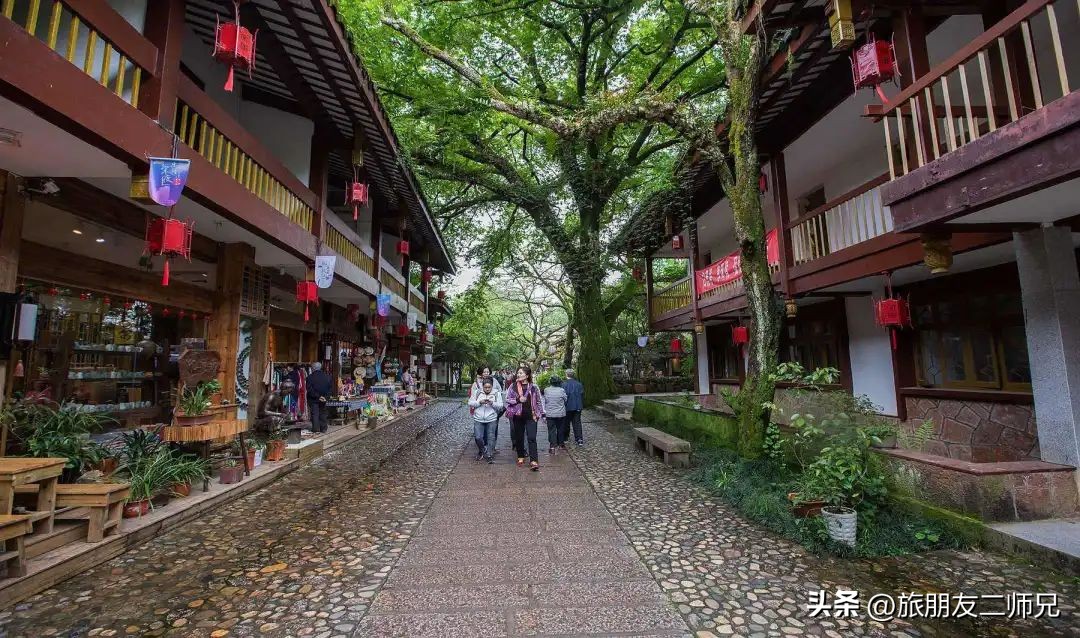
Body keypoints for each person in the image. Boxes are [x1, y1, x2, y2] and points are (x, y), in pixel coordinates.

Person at [505, 365, 544, 471]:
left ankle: (534, 460)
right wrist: (518, 400)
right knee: (519, 437)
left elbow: (539, 401)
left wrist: (541, 414)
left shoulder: (534, 387)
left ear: (527, 375)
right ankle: (520, 456)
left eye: (521, 373)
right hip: (518, 416)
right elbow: (507, 399)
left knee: (531, 438)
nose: (519, 374)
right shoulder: (512, 386)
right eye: (518, 373)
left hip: (531, 416)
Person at [468, 379, 503, 463]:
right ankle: (482, 450)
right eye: (485, 387)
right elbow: (470, 403)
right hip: (478, 418)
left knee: (491, 437)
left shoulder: (496, 393)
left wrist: (492, 403)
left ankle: (489, 454)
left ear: (492, 386)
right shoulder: (477, 392)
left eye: (489, 387)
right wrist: (479, 402)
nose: (487, 389)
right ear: (482, 386)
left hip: (491, 419)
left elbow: (501, 406)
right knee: (478, 437)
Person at [543, 376, 568, 454]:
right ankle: (561, 444)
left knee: (551, 430)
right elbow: (565, 399)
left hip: (550, 414)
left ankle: (552, 446)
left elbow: (546, 400)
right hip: (560, 413)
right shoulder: (562, 390)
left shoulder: (546, 390)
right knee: (560, 429)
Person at [306, 362, 333, 434]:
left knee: (315, 413)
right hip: (324, 398)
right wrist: (325, 397)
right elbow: (330, 389)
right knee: (323, 412)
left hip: (313, 398)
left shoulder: (310, 377)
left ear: (313, 368)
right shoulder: (327, 376)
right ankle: (323, 428)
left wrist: (318, 396)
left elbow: (309, 390)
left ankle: (316, 428)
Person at [563, 368, 585, 445]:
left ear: (566, 375)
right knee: (577, 423)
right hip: (578, 406)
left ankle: (565, 437)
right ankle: (579, 439)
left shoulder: (564, 384)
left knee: (566, 422)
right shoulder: (579, 384)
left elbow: (563, 396)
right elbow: (582, 395)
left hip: (567, 406)